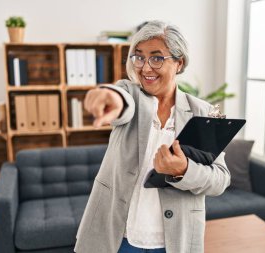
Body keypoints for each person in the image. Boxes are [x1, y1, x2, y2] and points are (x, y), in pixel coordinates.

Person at [74, 20, 230, 253]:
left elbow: (220, 180)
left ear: (179, 63)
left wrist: (184, 169)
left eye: (157, 58)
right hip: (119, 237)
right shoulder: (131, 95)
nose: (145, 68)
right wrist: (110, 99)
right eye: (139, 57)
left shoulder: (204, 112)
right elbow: (120, 100)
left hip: (174, 241)